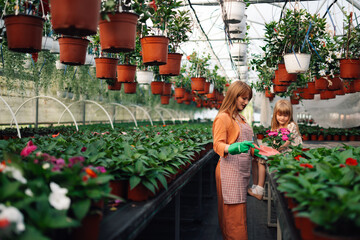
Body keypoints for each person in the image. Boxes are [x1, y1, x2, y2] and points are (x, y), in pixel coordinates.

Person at [212, 81, 264, 240]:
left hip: (241, 173)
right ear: (233, 95)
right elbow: (217, 144)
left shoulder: (240, 118)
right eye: (243, 98)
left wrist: (257, 151)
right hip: (230, 173)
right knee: (234, 221)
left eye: (248, 99)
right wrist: (232, 148)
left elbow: (248, 142)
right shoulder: (223, 117)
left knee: (238, 215)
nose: (246, 102)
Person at [248, 99, 302, 200]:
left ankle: (260, 190)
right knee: (255, 158)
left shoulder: (291, 126)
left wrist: (270, 150)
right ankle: (255, 186)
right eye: (279, 115)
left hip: (290, 155)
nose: (282, 118)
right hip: (280, 152)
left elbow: (286, 144)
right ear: (275, 114)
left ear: (289, 115)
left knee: (261, 160)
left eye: (285, 115)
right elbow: (274, 144)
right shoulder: (275, 127)